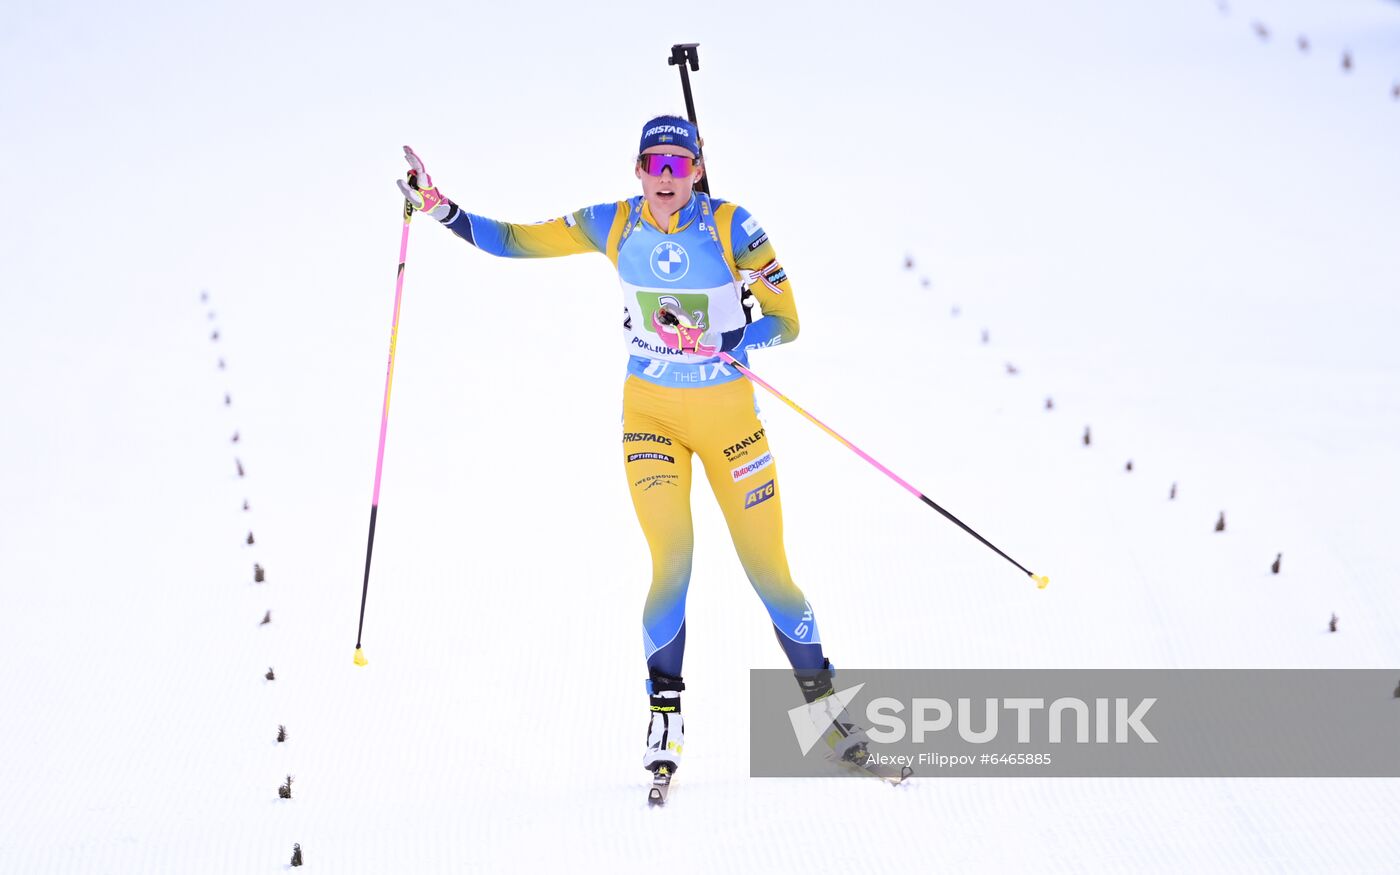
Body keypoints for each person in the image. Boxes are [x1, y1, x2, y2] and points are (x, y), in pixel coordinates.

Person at [396, 116, 864, 783]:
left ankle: (827, 715)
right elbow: (514, 241)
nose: (666, 179)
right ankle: (665, 714)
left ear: (697, 170)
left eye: (679, 166)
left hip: (733, 426)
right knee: (672, 564)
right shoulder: (614, 223)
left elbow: (788, 323)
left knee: (773, 578)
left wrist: (730, 340)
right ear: (637, 169)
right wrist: (440, 207)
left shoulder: (735, 228)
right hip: (651, 420)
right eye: (655, 165)